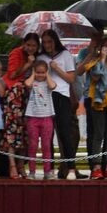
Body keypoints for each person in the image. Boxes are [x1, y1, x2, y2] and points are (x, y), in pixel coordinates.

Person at [77, 35, 107, 179]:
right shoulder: (95, 62)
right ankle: (96, 167)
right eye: (106, 46)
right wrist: (102, 58)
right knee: (98, 133)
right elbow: (96, 76)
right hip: (98, 99)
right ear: (100, 48)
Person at [38, 29, 80, 179]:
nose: (47, 44)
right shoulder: (41, 57)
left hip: (61, 95)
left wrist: (57, 69)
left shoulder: (65, 55)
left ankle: (71, 168)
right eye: (44, 42)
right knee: (47, 133)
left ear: (55, 41)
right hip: (45, 96)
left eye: (50, 41)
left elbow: (71, 78)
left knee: (65, 132)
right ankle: (49, 168)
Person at [2, 33, 39, 179]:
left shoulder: (37, 57)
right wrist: (28, 65)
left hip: (29, 96)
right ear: (24, 43)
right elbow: (11, 75)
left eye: (34, 46)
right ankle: (12, 165)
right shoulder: (16, 53)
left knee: (26, 132)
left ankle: (21, 165)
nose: (31, 48)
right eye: (28, 45)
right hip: (15, 95)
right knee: (12, 130)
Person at [24, 58, 57, 179]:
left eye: (43, 72)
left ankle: (47, 172)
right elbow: (27, 84)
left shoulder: (48, 83)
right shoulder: (32, 83)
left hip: (47, 118)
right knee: (33, 145)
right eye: (38, 72)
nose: (40, 74)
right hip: (33, 117)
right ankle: (32, 171)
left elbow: (53, 85)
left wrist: (47, 75)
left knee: (46, 145)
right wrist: (33, 74)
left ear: (47, 72)